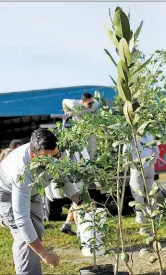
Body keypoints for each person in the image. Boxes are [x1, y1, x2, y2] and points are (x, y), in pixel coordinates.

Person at [0, 129, 84, 274]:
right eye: (47, 158)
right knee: (23, 236)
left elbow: (64, 178)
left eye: (56, 155)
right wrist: (44, 254)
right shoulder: (22, 172)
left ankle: (28, 264)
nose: (54, 162)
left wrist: (80, 202)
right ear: (34, 155)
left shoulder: (57, 151)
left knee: (36, 232)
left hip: (33, 189)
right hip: (4, 191)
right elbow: (22, 220)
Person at [60, 93, 99, 236]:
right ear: (82, 102)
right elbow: (64, 100)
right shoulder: (75, 104)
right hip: (82, 140)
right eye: (88, 103)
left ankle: (67, 224)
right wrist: (67, 111)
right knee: (80, 200)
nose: (90, 105)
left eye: (91, 103)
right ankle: (80, 232)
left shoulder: (95, 105)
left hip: (88, 140)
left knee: (80, 198)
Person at [124, 133, 160, 234]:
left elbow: (125, 153)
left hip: (137, 167)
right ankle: (155, 217)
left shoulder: (129, 134)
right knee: (151, 193)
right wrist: (152, 161)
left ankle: (141, 220)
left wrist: (130, 164)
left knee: (137, 194)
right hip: (149, 167)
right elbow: (157, 151)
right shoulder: (149, 135)